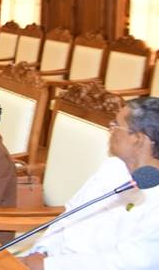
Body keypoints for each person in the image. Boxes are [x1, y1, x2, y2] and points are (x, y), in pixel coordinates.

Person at [21, 97, 159, 270]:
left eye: (116, 125)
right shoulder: (113, 166)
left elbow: (128, 263)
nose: (110, 130)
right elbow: (71, 214)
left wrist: (49, 265)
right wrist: (43, 250)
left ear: (138, 139)